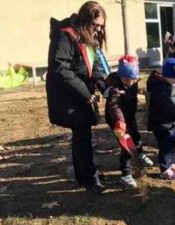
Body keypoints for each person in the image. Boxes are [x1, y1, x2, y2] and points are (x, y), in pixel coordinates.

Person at [46, 1, 107, 194]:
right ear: (85, 20)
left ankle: (85, 174)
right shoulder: (66, 35)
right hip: (70, 96)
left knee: (82, 135)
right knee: (82, 136)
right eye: (95, 25)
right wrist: (85, 93)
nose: (98, 29)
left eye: (101, 26)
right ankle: (89, 179)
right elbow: (61, 69)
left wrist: (100, 81)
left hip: (81, 93)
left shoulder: (86, 36)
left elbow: (93, 61)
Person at [104, 55, 154, 189]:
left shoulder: (132, 82)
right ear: (122, 77)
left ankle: (140, 154)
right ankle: (125, 173)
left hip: (130, 116)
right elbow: (114, 107)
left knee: (136, 136)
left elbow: (132, 97)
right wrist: (119, 122)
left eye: (133, 79)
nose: (131, 83)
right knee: (126, 145)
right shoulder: (114, 89)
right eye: (127, 80)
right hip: (117, 121)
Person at [146, 58, 175, 180]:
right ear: (166, 75)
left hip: (170, 121)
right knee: (165, 145)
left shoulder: (169, 84)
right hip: (160, 123)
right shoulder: (160, 88)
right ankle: (164, 168)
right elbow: (166, 105)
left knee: (174, 141)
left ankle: (171, 163)